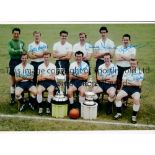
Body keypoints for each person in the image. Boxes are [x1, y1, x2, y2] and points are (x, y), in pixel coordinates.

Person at [114, 58, 144, 124]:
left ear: (137, 64)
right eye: (131, 64)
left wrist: (130, 82)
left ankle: (134, 116)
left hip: (135, 89)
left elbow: (139, 84)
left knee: (136, 99)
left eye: (134, 64)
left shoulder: (140, 72)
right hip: (126, 88)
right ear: (130, 64)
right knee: (118, 97)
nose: (133, 65)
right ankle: (119, 113)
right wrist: (121, 89)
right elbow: (124, 83)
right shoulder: (126, 71)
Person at [8, 27, 26, 105]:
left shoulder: (22, 41)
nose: (16, 35)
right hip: (13, 62)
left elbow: (24, 51)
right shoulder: (10, 42)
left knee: (20, 79)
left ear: (19, 34)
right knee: (13, 82)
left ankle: (20, 97)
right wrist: (19, 51)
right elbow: (11, 52)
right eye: (14, 33)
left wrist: (23, 52)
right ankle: (12, 98)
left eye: (17, 34)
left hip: (21, 62)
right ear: (12, 34)